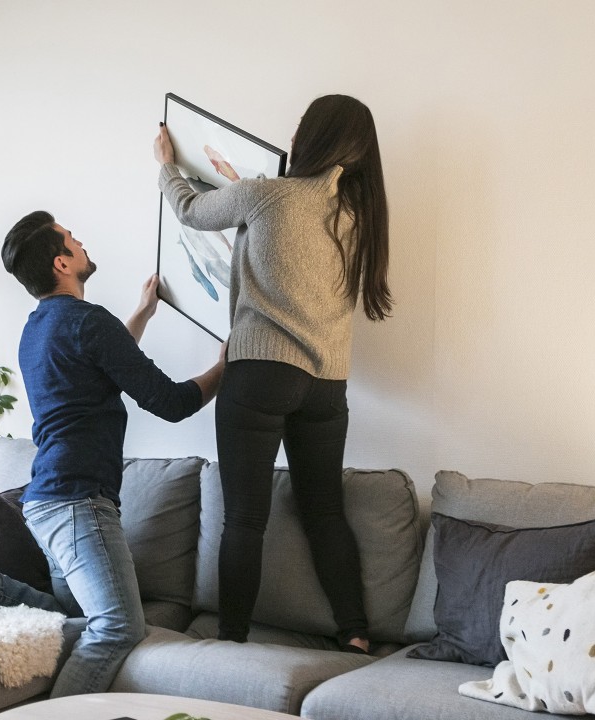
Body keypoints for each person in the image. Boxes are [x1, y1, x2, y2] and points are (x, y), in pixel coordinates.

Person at [0, 211, 224, 697]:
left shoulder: (37, 330)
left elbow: (105, 361)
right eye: (73, 239)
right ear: (63, 262)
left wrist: (144, 313)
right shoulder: (89, 323)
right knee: (117, 628)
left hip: (46, 501)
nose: (82, 241)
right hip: (78, 501)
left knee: (73, 621)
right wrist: (225, 368)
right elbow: (171, 403)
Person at [152, 94, 392, 653]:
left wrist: (167, 163)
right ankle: (355, 632)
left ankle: (231, 641)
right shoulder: (359, 221)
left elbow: (190, 210)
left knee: (245, 519)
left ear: (311, 137)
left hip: (261, 372)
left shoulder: (268, 195)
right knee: (325, 512)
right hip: (328, 383)